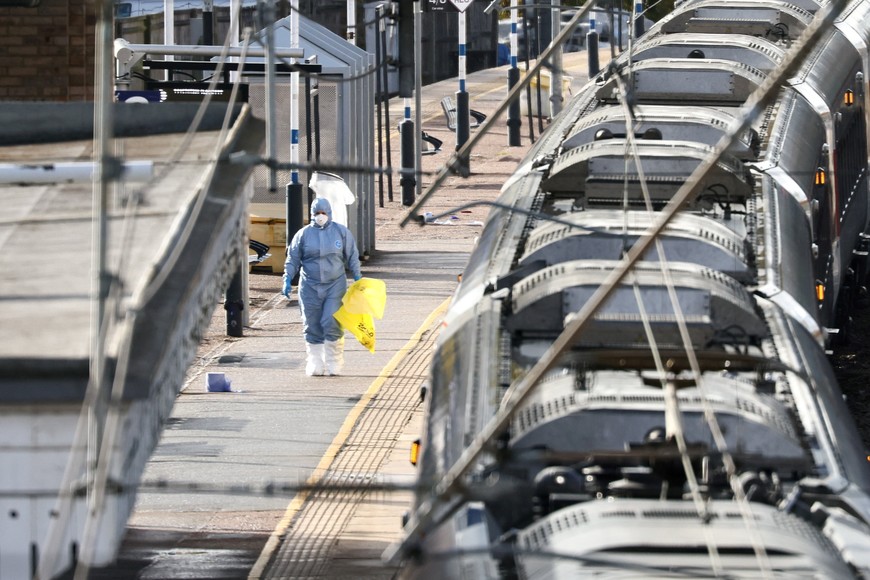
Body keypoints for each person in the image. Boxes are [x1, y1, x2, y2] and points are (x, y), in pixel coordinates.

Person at [282, 197, 362, 376]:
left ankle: (334, 359)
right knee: (312, 323)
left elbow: (352, 256)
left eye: (324, 213)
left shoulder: (341, 232)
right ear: (311, 214)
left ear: (330, 213)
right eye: (317, 213)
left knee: (331, 319)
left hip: (335, 284)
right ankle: (315, 361)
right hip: (309, 285)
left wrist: (358, 277)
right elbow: (293, 259)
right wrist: (287, 278)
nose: (320, 216)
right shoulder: (303, 235)